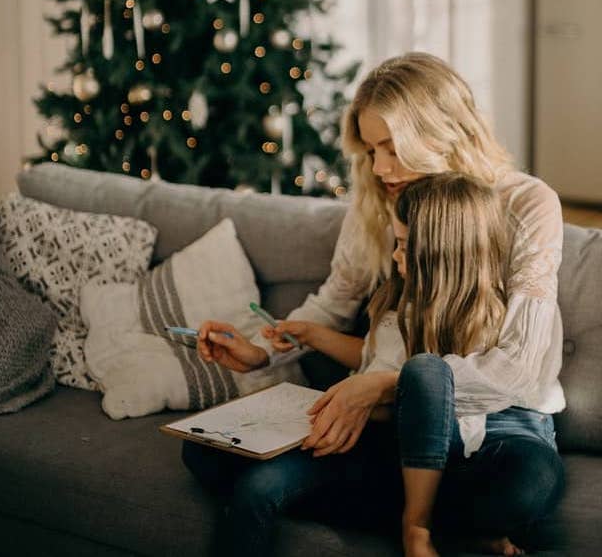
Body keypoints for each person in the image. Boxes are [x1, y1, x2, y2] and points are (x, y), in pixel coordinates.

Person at [182, 52, 566, 556]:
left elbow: (517, 369)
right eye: (370, 151)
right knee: (207, 454)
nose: (381, 168)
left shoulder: (526, 204)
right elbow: (333, 303)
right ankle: (439, 517)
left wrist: (386, 388)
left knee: (523, 489)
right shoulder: (382, 201)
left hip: (501, 420)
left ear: (443, 131)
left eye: (392, 148)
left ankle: (425, 512)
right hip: (394, 427)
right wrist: (262, 352)